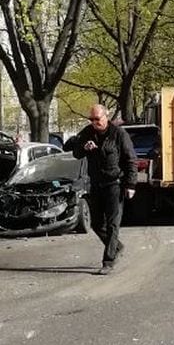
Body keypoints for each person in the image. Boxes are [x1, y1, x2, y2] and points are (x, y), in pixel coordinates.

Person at [69, 104, 138, 274]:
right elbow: (75, 152)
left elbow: (131, 160)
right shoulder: (87, 132)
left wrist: (131, 185)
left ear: (106, 117)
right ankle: (117, 247)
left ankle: (108, 261)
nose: (94, 122)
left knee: (113, 223)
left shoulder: (119, 134)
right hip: (96, 183)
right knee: (97, 223)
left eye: (97, 119)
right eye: (91, 119)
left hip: (115, 183)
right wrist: (84, 147)